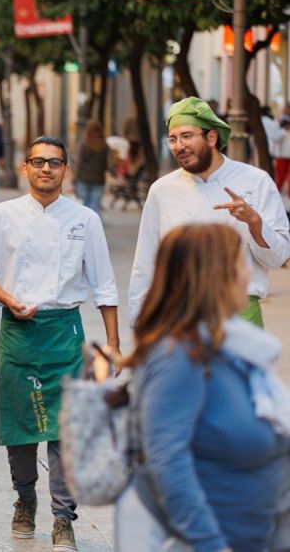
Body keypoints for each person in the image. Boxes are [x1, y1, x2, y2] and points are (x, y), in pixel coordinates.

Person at [0, 136, 120, 552]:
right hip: (18, 332)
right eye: (38, 162)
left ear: (66, 169)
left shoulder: (85, 219)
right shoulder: (2, 215)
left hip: (64, 333)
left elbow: (105, 284)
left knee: (64, 430)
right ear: (25, 167)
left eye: (54, 162)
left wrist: (113, 344)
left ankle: (62, 518)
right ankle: (25, 497)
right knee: (20, 427)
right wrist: (6, 299)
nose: (46, 169)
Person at [115, 223, 290, 552]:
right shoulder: (178, 356)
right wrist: (210, 544)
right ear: (214, 276)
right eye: (241, 262)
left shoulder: (237, 349)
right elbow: (166, 459)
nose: (249, 272)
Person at [129, 97, 290, 328]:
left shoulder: (255, 181)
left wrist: (254, 221)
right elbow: (145, 263)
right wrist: (139, 323)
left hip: (240, 316)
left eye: (187, 136)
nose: (179, 146)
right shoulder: (162, 190)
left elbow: (278, 257)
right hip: (179, 316)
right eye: (172, 139)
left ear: (211, 137)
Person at [74, 119, 113, 219]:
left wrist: (74, 179)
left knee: (83, 207)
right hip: (98, 180)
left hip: (83, 179)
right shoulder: (105, 146)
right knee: (95, 208)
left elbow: (79, 164)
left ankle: (82, 230)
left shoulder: (84, 145)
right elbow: (108, 165)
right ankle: (96, 230)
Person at [273, 116, 290, 197]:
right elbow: (275, 138)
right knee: (280, 176)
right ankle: (276, 192)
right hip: (281, 156)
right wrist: (284, 131)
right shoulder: (280, 131)